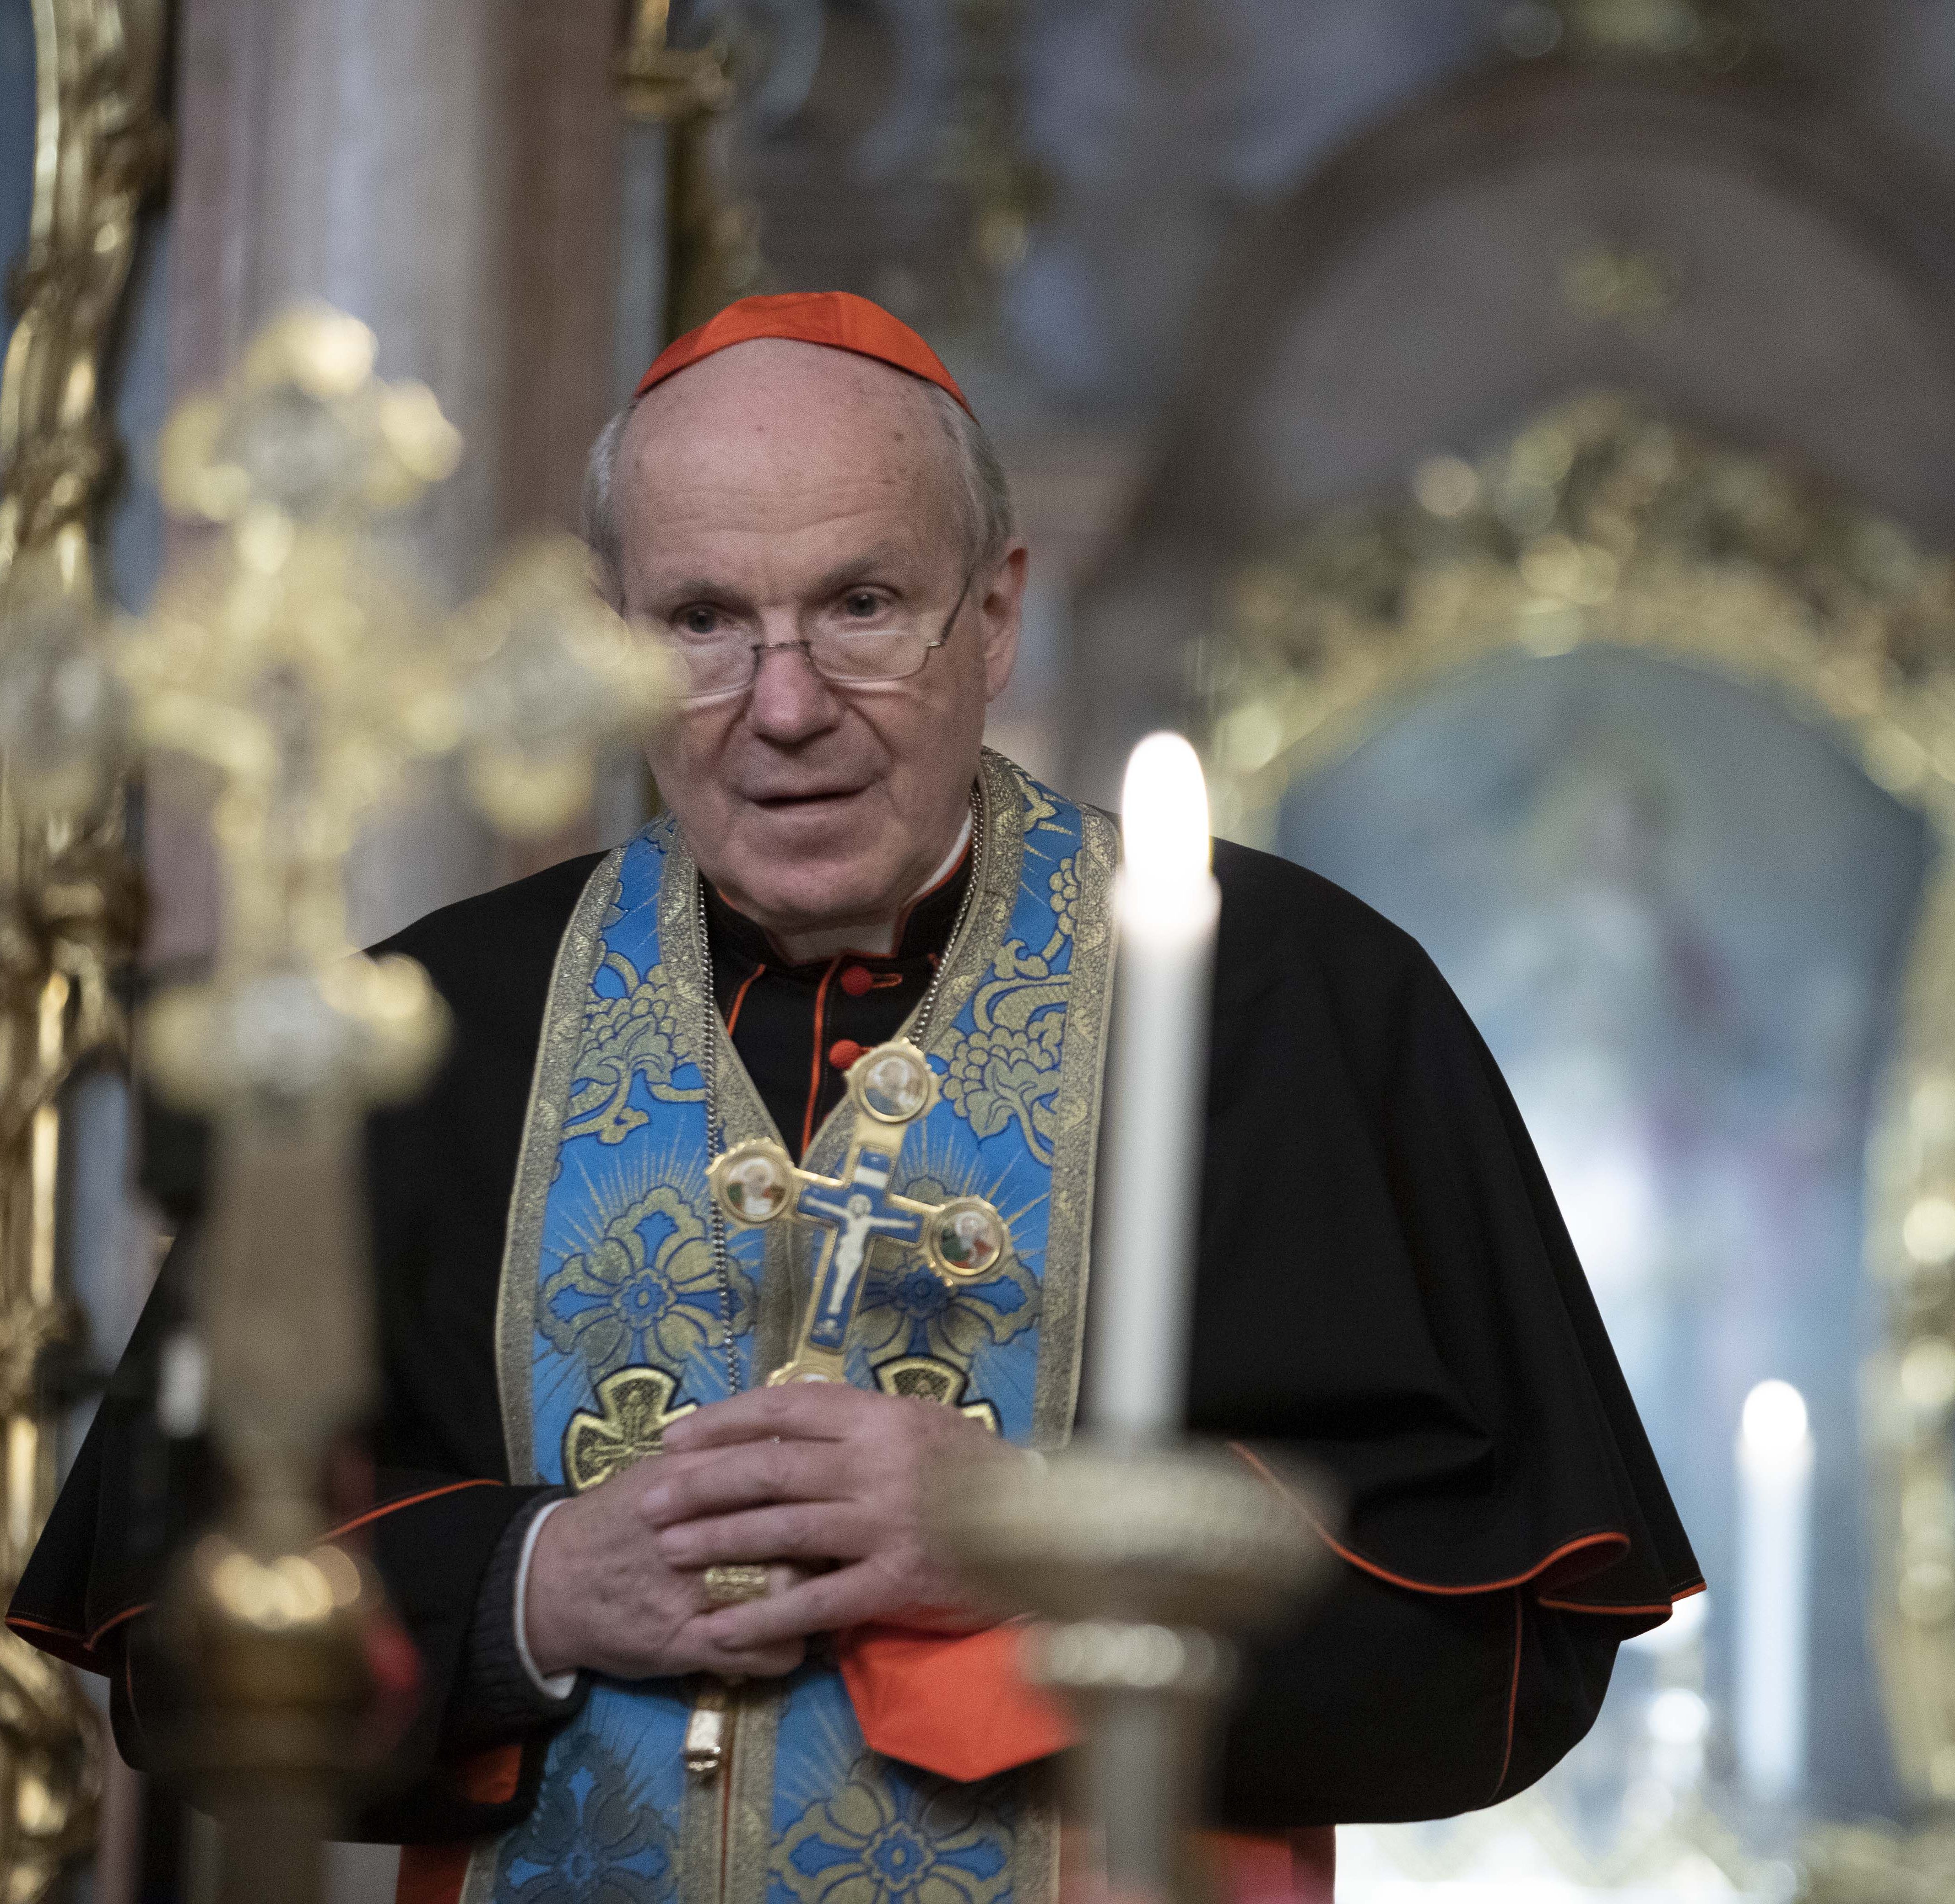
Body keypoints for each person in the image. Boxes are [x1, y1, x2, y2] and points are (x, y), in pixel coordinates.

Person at [11, 294, 1700, 1902]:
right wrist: (536, 1591)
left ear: (996, 614)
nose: (787, 708)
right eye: (702, 623)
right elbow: (182, 1655)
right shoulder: (422, 1025)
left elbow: (1505, 1658)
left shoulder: (1294, 1000)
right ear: (611, 644)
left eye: (862, 606)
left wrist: (1022, 1545)